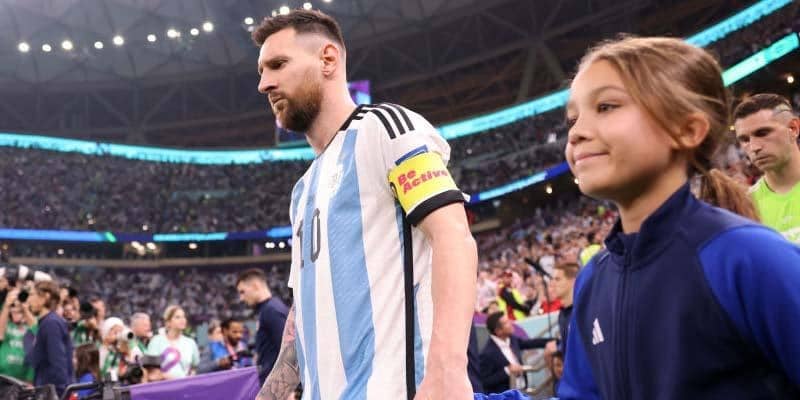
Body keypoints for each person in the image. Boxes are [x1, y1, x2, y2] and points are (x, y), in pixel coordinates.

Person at [252, 9, 477, 400]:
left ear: (328, 59)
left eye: (278, 64)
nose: (264, 84)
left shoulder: (384, 128)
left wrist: (447, 370)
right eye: (261, 71)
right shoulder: (301, 192)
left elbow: (453, 236)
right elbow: (302, 317)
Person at [558, 37, 800, 399]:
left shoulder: (748, 257)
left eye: (606, 106)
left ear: (687, 130)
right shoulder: (592, 280)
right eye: (573, 119)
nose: (576, 133)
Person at [733, 93, 800, 243]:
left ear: (793, 128)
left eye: (763, 133)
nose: (754, 147)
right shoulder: (746, 207)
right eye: (745, 139)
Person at [478, 312, 554, 394]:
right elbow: (485, 382)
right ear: (498, 331)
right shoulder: (487, 354)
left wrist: (554, 341)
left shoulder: (512, 339)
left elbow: (530, 343)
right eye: (506, 323)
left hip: (522, 391)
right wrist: (507, 371)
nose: (511, 323)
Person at [236, 269, 288, 384]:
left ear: (255, 286)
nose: (241, 298)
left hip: (279, 385)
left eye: (242, 292)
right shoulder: (266, 310)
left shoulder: (272, 310)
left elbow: (288, 350)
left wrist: (288, 387)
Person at [25, 281, 74, 395]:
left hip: (52, 392)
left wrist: (58, 394)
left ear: (45, 297)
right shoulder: (47, 322)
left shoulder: (51, 324)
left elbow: (58, 362)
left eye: (32, 295)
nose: (29, 300)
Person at [146, 305, 199, 379]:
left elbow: (195, 366)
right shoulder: (156, 341)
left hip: (185, 384)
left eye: (184, 317)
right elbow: (151, 372)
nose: (182, 320)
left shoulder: (190, 343)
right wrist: (172, 379)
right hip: (163, 384)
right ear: (168, 322)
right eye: (177, 317)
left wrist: (191, 375)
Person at [0, 287, 35, 382]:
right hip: (2, 376)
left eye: (19, 311)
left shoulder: (31, 325)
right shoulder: (6, 324)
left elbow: (37, 332)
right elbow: (0, 334)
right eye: (13, 309)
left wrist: (25, 308)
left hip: (22, 378)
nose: (15, 310)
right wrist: (7, 305)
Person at [551, 262, 578, 354]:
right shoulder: (562, 314)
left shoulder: (581, 312)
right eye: (552, 279)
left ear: (572, 281)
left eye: (557, 279)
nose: (552, 284)